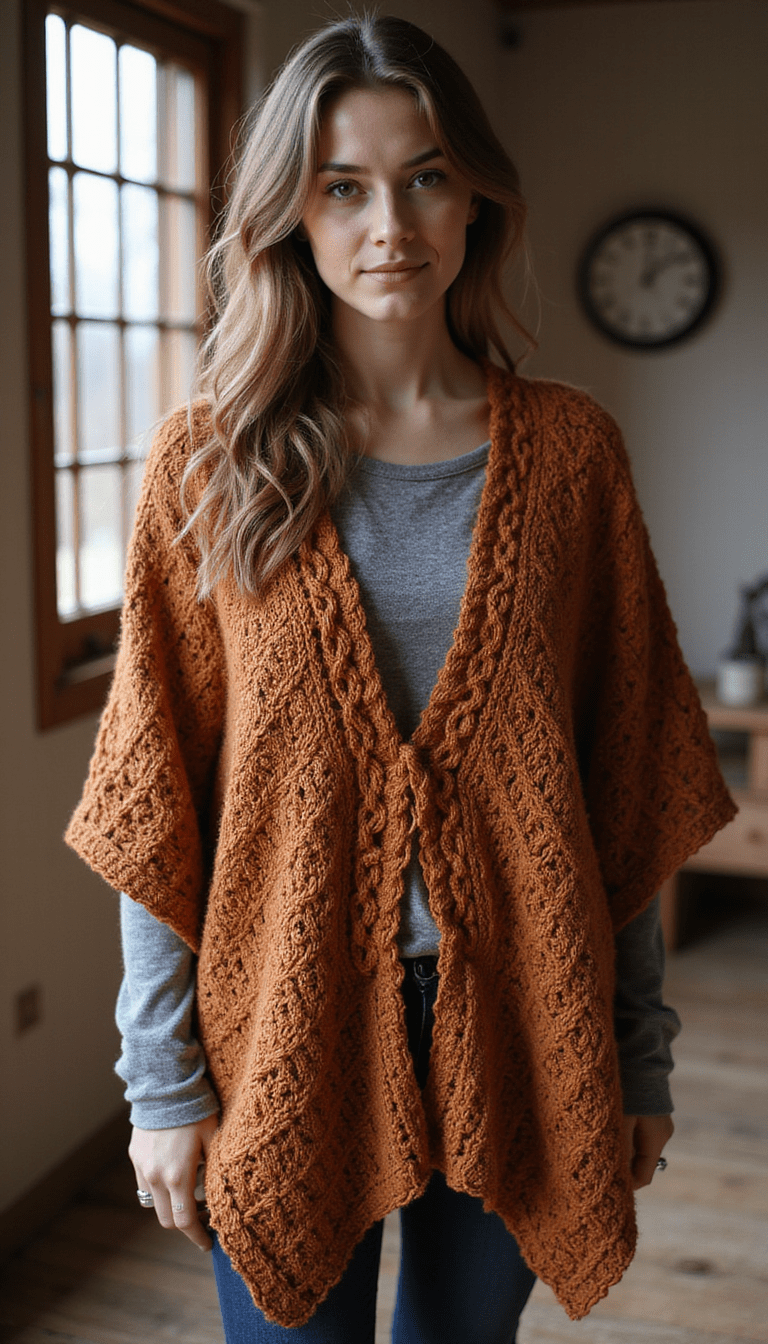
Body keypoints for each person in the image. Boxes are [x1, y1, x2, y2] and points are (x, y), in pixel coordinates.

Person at [65, 15, 734, 1344]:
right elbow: (157, 803)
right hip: (280, 1022)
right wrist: (161, 1089)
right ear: (287, 214)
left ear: (476, 193)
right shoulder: (210, 465)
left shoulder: (570, 457)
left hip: (529, 1021)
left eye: (426, 175)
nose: (392, 223)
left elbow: (624, 787)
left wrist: (637, 1052)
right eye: (343, 185)